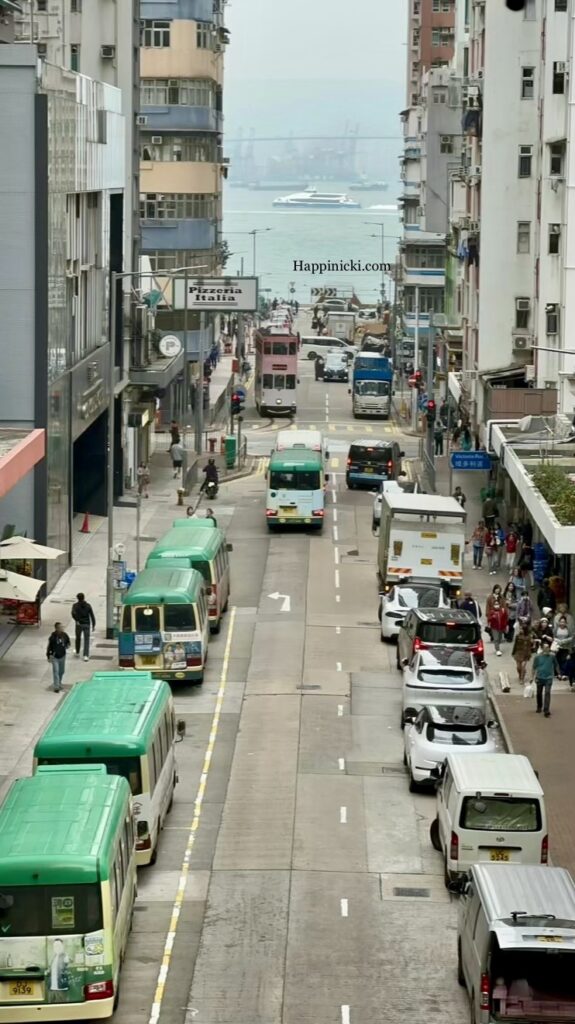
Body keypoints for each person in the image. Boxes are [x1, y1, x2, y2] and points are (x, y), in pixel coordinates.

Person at [531, 639, 559, 716]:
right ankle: (539, 706)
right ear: (542, 648)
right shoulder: (537, 657)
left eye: (548, 647)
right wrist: (532, 677)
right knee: (539, 693)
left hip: (549, 677)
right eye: (545, 647)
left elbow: (556, 665)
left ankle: (546, 710)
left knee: (547, 692)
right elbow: (534, 667)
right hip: (539, 677)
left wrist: (559, 674)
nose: (547, 649)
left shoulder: (552, 656)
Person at [71, 592, 96, 661]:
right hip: (87, 624)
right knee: (86, 640)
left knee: (78, 638)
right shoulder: (88, 606)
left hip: (79, 624)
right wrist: (93, 625)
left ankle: (77, 651)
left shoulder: (75, 605)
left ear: (77, 598)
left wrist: (77, 620)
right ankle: (86, 655)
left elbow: (73, 613)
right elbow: (92, 615)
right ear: (84, 597)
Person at [46, 623, 70, 692]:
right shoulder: (53, 637)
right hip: (55, 657)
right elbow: (49, 647)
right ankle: (56, 686)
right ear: (57, 628)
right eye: (61, 627)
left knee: (62, 671)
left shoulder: (65, 635)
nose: (62, 628)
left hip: (62, 656)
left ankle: (59, 682)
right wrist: (48, 655)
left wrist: (67, 646)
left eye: (62, 627)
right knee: (56, 671)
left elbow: (68, 642)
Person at [553, 613, 574, 678]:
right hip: (557, 647)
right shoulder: (556, 629)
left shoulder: (568, 629)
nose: (562, 623)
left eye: (563, 622)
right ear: (559, 622)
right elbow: (553, 637)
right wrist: (558, 641)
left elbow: (571, 638)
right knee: (557, 660)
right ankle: (558, 674)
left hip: (565, 647)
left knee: (564, 661)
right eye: (561, 622)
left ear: (566, 623)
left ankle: (564, 674)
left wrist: (563, 641)